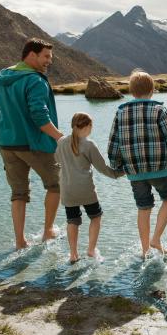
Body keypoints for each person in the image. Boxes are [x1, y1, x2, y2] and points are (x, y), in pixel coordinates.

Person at [0, 38, 63, 250]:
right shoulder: (35, 80)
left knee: (18, 193)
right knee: (56, 185)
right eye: (46, 56)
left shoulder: (3, 77)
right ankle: (48, 231)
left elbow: (0, 104)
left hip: (7, 143)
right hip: (34, 144)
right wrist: (59, 137)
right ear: (32, 55)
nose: (49, 61)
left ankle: (20, 241)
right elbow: (39, 115)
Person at [108, 70, 167, 258]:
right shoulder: (160, 110)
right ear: (152, 90)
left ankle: (145, 250)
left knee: (143, 208)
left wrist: (116, 164)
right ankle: (156, 239)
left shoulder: (120, 113)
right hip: (160, 169)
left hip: (135, 172)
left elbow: (114, 144)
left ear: (131, 91)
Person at [55, 112, 124, 263]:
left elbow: (57, 160)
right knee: (96, 217)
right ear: (87, 126)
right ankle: (91, 250)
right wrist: (119, 173)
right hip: (85, 189)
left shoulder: (61, 141)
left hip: (67, 189)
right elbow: (102, 168)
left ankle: (73, 255)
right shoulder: (89, 144)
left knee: (72, 220)